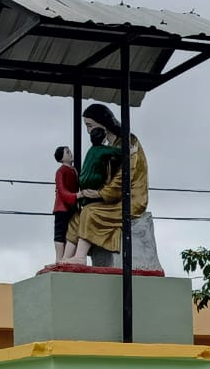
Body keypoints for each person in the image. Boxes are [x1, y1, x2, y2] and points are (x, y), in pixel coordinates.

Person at [62, 103, 149, 263]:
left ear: (103, 123)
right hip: (110, 198)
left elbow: (125, 176)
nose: (88, 131)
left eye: (90, 125)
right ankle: (65, 259)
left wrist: (100, 193)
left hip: (129, 199)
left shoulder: (128, 143)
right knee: (77, 216)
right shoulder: (109, 146)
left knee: (90, 213)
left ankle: (80, 257)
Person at [52, 145, 78, 263]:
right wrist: (76, 196)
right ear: (62, 158)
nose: (70, 153)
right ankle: (59, 258)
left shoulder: (74, 170)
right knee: (60, 232)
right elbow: (62, 191)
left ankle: (66, 258)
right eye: (67, 152)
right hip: (62, 207)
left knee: (70, 231)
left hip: (72, 207)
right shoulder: (61, 171)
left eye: (69, 151)